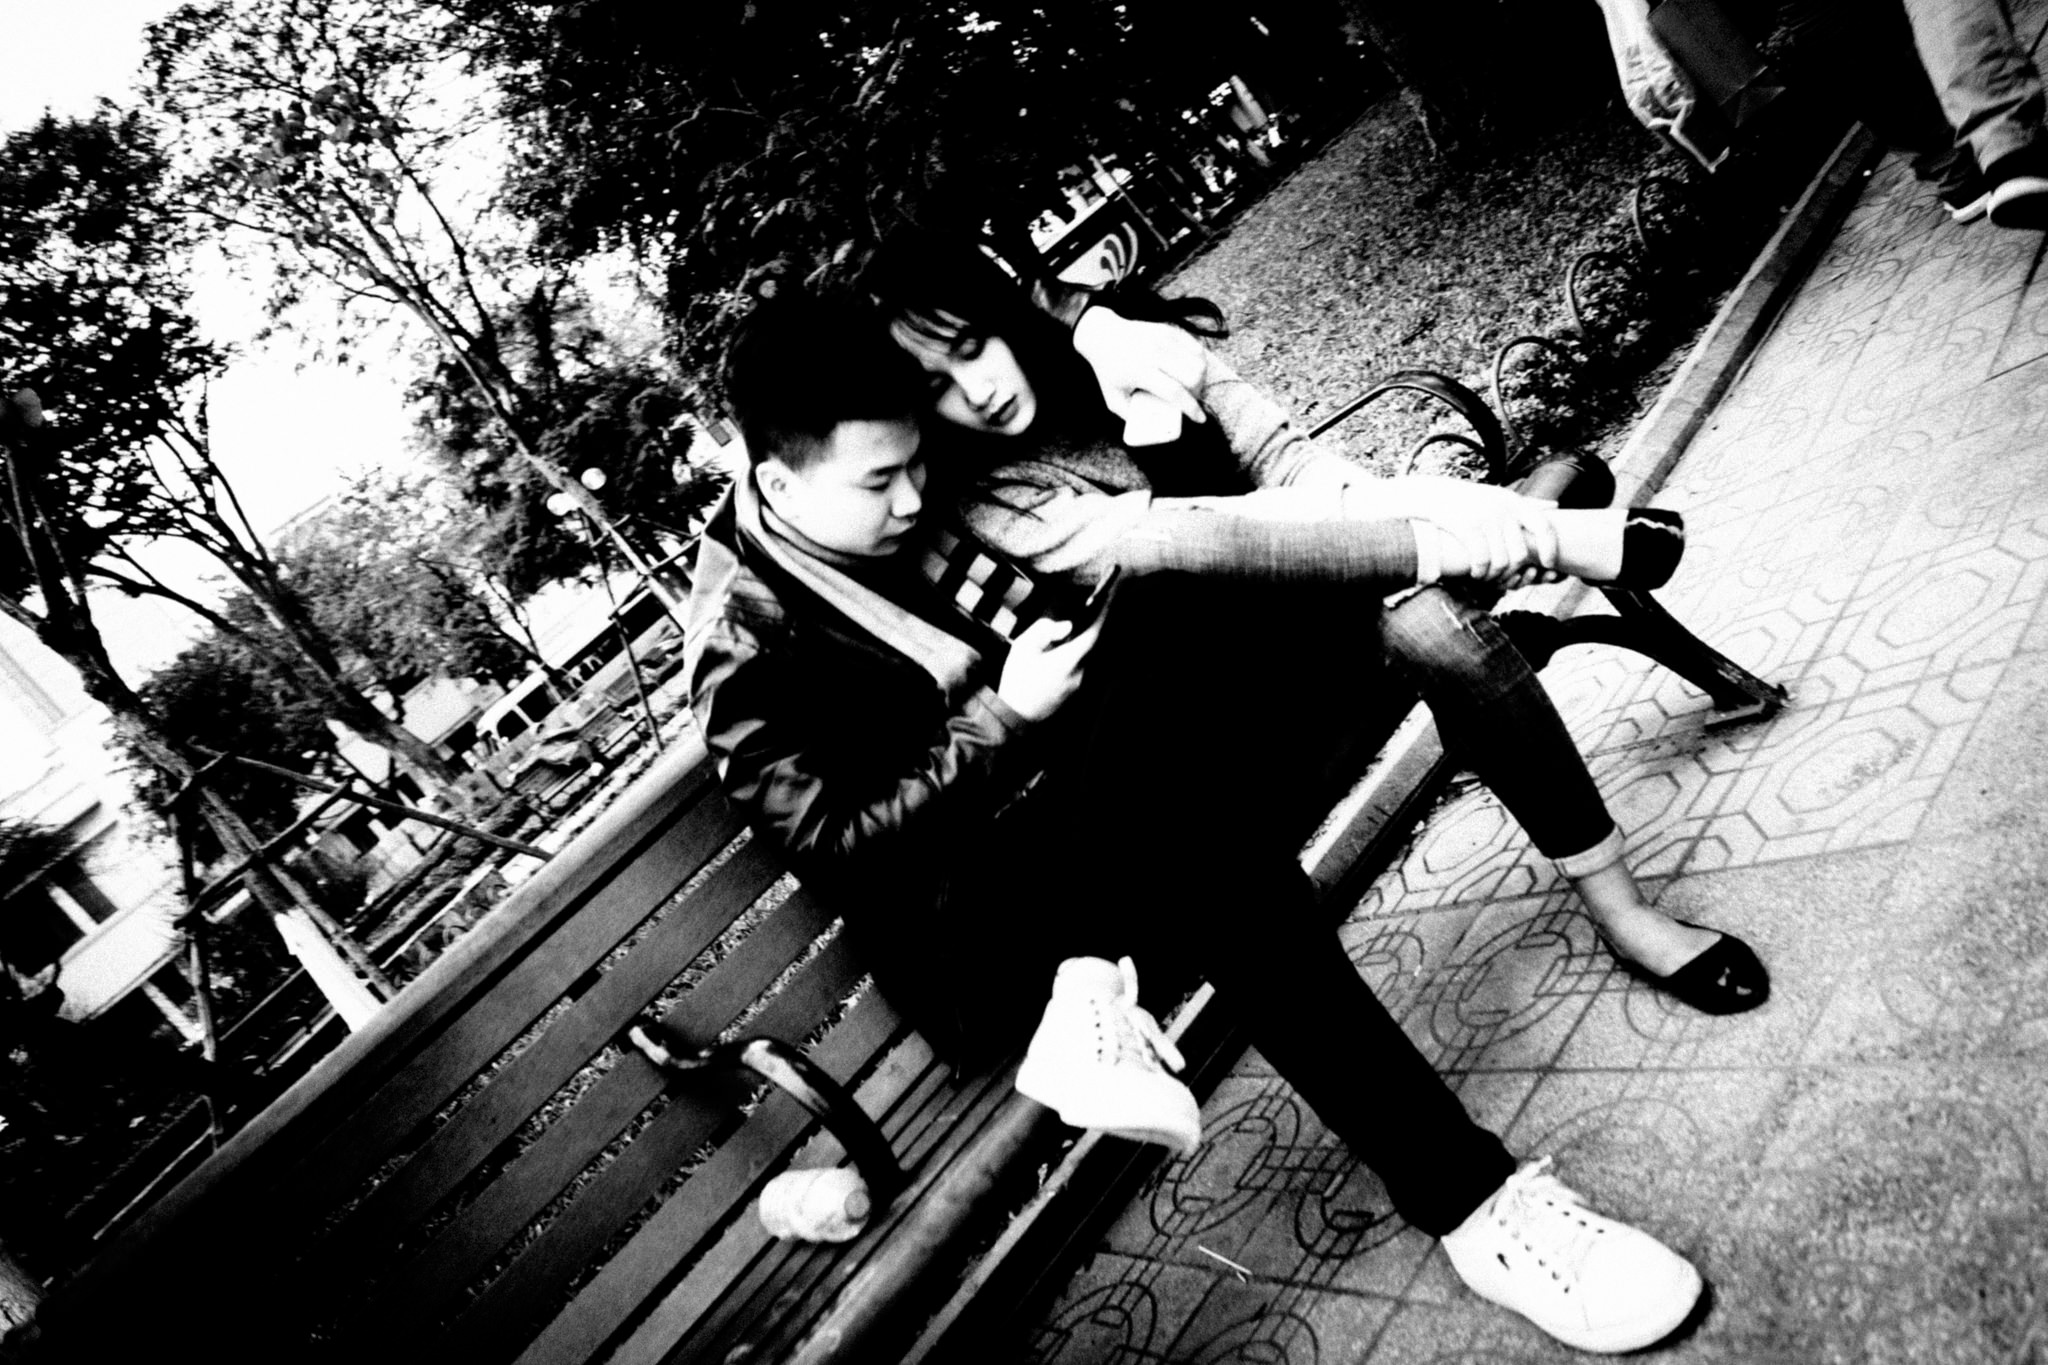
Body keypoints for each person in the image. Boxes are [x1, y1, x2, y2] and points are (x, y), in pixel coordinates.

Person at [685, 293, 1712, 1353]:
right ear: (774, 480)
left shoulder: (877, 501)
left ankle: (1118, 1001)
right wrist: (1001, 719)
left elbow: (1035, 362)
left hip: (1112, 805)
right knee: (1217, 870)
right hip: (984, 929)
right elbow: (844, 855)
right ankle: (1476, 1206)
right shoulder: (744, 648)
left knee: (1169, 604)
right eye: (879, 482)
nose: (912, 499)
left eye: (913, 466)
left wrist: (1114, 351)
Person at [861, 230, 1767, 1015]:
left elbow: (1287, 464)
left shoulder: (1133, 350)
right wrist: (1457, 534)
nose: (974, 392)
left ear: (1006, 316)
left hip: (1336, 599)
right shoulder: (993, 497)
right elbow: (1195, 545)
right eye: (936, 387)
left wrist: (1401, 530)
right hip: (1234, 698)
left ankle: (1624, 912)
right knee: (1395, 602)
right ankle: (1550, 530)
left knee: (1431, 629)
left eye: (973, 346)